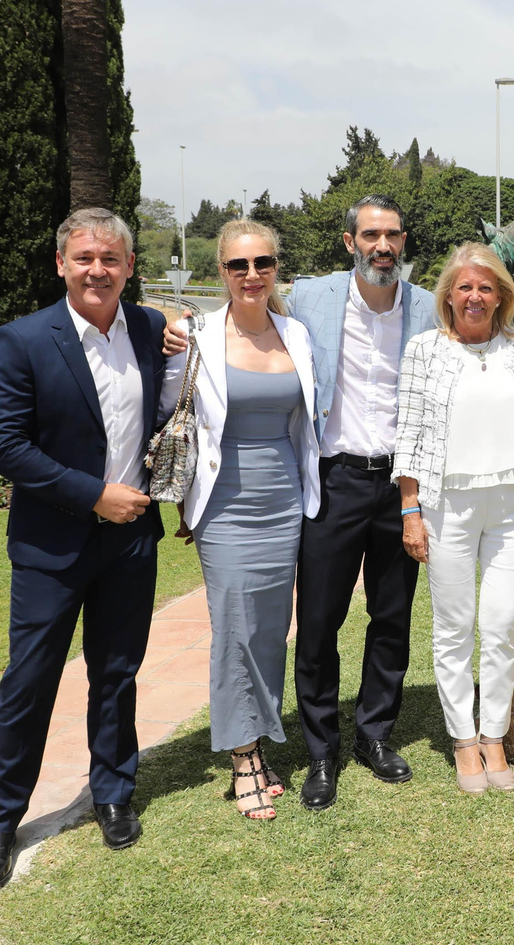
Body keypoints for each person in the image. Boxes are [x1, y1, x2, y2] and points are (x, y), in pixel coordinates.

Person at [162, 195, 514, 810]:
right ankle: (322, 749)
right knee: (319, 621)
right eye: (370, 235)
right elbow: (244, 316)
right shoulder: (312, 301)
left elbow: (482, 351)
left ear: (404, 242)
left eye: (392, 236)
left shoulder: (431, 307)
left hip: (403, 487)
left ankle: (374, 734)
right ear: (350, 242)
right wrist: (179, 329)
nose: (382, 246)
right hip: (334, 477)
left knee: (392, 617)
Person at [0, 208, 167, 890]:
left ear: (129, 267)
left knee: (116, 674)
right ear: (61, 264)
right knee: (29, 681)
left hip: (132, 543)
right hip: (52, 546)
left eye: (111, 259)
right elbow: (1, 444)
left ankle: (112, 791)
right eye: (84, 258)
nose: (97, 270)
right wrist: (91, 495)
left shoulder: (147, 327)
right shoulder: (25, 339)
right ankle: (0, 820)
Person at [159, 220, 320, 820]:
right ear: (221, 272)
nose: (251, 276)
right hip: (224, 503)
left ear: (276, 268)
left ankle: (259, 732)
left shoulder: (297, 334)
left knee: (270, 628)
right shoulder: (194, 336)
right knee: (234, 625)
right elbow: (166, 406)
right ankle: (244, 756)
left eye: (263, 264)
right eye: (238, 266)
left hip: (285, 501)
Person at [393, 243, 514, 794]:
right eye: (465, 287)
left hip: (512, 503)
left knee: (502, 625)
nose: (475, 297)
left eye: (486, 288)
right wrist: (410, 509)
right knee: (455, 628)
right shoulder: (424, 350)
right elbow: (408, 434)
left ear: (502, 296)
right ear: (449, 295)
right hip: (447, 504)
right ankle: (464, 740)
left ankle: (494, 737)